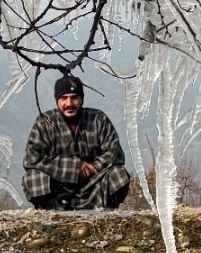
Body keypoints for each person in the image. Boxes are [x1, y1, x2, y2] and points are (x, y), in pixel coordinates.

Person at [22, 75, 131, 210]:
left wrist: (92, 167)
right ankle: (47, 214)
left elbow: (115, 153)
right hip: (58, 188)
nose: (69, 103)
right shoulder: (45, 122)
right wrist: (75, 168)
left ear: (81, 99)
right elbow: (31, 159)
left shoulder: (98, 119)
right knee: (32, 178)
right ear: (57, 101)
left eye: (74, 97)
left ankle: (107, 211)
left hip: (94, 185)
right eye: (64, 98)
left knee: (119, 174)